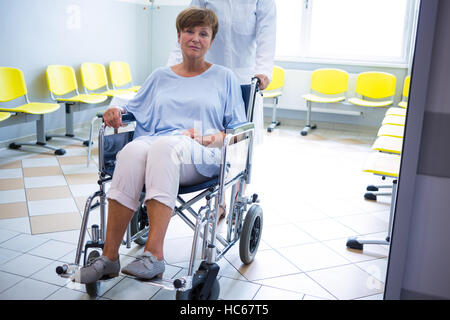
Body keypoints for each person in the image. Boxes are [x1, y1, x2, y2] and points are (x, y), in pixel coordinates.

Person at [74, 7, 246, 284]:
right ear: (178, 36)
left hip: (200, 154)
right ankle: (109, 257)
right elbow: (129, 106)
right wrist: (113, 109)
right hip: (157, 149)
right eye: (189, 31)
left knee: (164, 146)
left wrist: (206, 138)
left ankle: (154, 255)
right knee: (131, 150)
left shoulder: (224, 77)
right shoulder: (160, 76)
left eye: (203, 33)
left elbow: (237, 131)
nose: (195, 38)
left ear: (211, 41)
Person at [167, 0, 276, 219]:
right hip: (207, 76)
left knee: (240, 142)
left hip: (245, 77)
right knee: (210, 139)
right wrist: (172, 68)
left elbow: (267, 33)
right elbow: (189, 25)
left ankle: (237, 199)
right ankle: (218, 202)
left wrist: (263, 71)